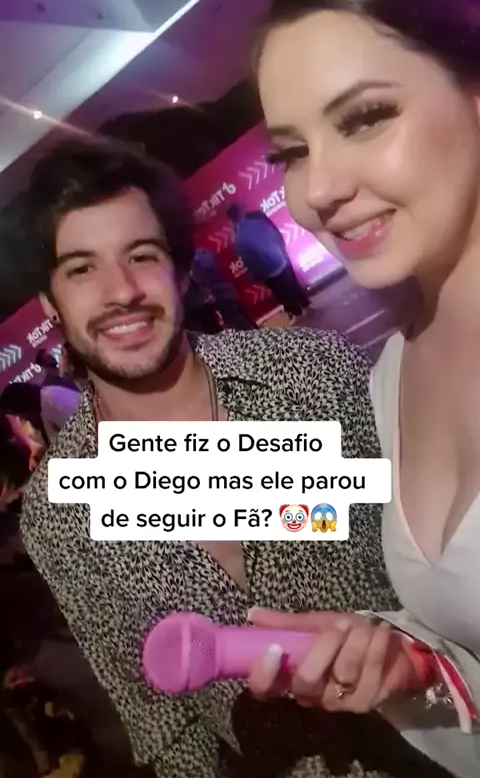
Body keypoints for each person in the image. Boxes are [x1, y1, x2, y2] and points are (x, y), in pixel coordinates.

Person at [20, 138, 446, 778]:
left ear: (181, 271)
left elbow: (443, 558)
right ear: (51, 303)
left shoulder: (311, 375)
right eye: (81, 269)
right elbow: (159, 723)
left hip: (440, 732)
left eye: (142, 256)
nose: (121, 292)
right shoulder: (58, 513)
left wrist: (410, 654)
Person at [251, 0, 480, 777]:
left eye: (366, 117)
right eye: (292, 152)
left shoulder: (308, 372)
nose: (318, 189)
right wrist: (414, 669)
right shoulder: (390, 377)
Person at [227, 203, 310, 317]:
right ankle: (306, 304)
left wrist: (255, 275)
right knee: (293, 284)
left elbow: (250, 261)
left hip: (268, 271)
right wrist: (282, 250)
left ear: (231, 221)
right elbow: (275, 233)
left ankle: (298, 313)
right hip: (281, 257)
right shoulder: (258, 219)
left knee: (283, 293)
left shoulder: (239, 239)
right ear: (242, 211)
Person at [190, 248, 257, 330]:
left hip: (220, 297)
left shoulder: (195, 262)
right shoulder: (203, 253)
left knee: (242, 325)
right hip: (229, 291)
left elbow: (204, 282)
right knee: (246, 320)